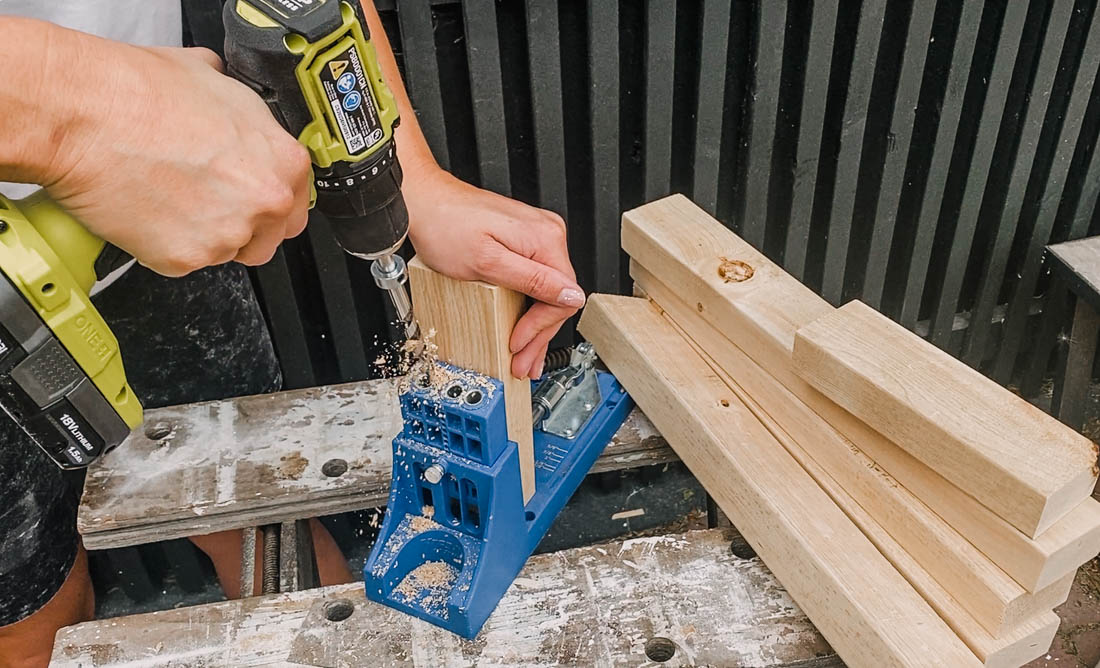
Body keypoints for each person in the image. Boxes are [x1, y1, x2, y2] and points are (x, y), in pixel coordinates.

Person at [0, 2, 584, 665]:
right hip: (130, 159)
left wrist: (410, 178)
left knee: (249, 498)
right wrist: (79, 116)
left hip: (164, 189)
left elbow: (300, 16)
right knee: (24, 604)